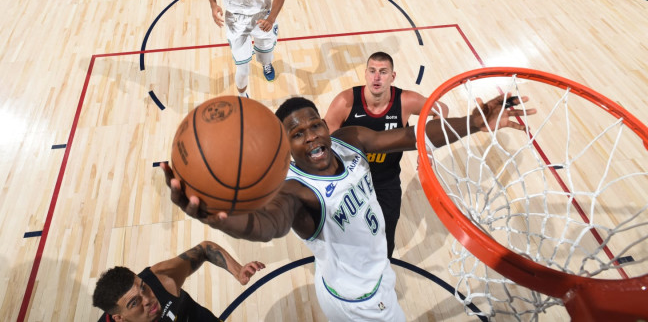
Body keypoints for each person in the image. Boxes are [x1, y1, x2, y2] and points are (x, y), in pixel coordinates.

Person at [164, 94, 534, 321]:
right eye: (297, 133)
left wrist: (473, 122)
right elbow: (267, 226)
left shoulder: (349, 140)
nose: (312, 135)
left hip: (369, 275)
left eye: (315, 124)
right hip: (358, 299)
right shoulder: (295, 191)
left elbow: (411, 135)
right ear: (284, 145)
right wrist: (221, 221)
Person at [322, 51, 449, 259]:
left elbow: (442, 110)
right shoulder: (345, 102)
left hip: (386, 182)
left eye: (383, 72)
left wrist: (427, 147)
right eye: (372, 71)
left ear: (393, 76)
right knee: (346, 235)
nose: (377, 77)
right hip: (351, 182)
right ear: (365, 74)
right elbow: (326, 144)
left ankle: (381, 273)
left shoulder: (405, 100)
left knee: (385, 235)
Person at [92, 240, 265, 321]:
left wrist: (238, 271)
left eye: (143, 288)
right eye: (134, 303)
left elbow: (204, 250)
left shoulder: (161, 279)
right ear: (119, 318)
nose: (148, 299)